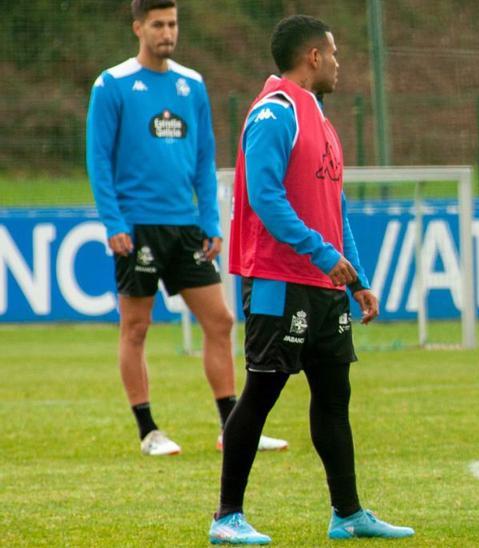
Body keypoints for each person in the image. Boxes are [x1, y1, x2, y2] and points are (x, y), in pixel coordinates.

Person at [208, 14, 413, 544]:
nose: (341, 64)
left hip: (323, 285)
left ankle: (347, 514)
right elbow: (264, 196)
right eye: (336, 53)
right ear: (314, 57)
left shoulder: (318, 116)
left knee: (334, 396)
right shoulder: (274, 113)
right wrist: (323, 255)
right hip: (278, 279)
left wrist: (357, 278)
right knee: (261, 392)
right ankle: (227, 517)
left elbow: (334, 205)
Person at [86, 0, 287, 457]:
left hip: (186, 227)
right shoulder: (112, 84)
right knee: (136, 326)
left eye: (172, 23)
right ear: (138, 27)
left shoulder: (191, 84)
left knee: (220, 320)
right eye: (157, 24)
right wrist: (113, 220)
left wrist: (210, 220)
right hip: (137, 226)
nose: (167, 32)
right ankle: (148, 430)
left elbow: (202, 159)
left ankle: (231, 427)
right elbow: (98, 158)